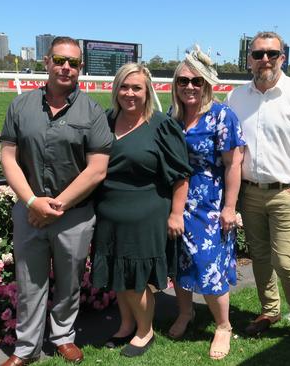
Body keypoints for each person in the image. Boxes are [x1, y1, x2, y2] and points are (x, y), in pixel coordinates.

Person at [0, 36, 112, 365]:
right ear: (47, 61)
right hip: (30, 212)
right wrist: (33, 202)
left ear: (81, 68)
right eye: (60, 60)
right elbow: (8, 157)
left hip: (73, 216)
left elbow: (97, 170)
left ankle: (63, 336)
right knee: (28, 282)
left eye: (73, 63)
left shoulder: (91, 111)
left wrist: (56, 206)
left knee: (69, 283)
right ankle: (26, 348)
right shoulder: (21, 106)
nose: (66, 67)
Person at [225, 31, 290, 356]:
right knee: (259, 258)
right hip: (250, 194)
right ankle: (269, 310)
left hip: (286, 192)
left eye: (272, 53)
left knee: (285, 261)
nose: (265, 60)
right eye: (258, 54)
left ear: (283, 57)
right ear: (249, 59)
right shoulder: (236, 97)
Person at [91, 63, 192, 358]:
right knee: (117, 273)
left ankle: (144, 331)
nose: (130, 93)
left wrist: (176, 213)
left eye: (136, 87)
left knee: (135, 279)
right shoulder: (106, 121)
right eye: (124, 86)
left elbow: (181, 175)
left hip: (145, 214)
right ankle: (125, 323)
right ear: (115, 89)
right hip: (109, 213)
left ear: (147, 90)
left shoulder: (161, 125)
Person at [167, 46, 245, 361]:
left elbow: (233, 165)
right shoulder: (173, 117)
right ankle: (186, 313)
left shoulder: (222, 115)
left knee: (208, 266)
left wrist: (229, 207)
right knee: (181, 262)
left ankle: (223, 325)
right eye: (183, 80)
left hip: (210, 204)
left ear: (207, 84)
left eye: (196, 81)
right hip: (177, 201)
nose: (189, 86)